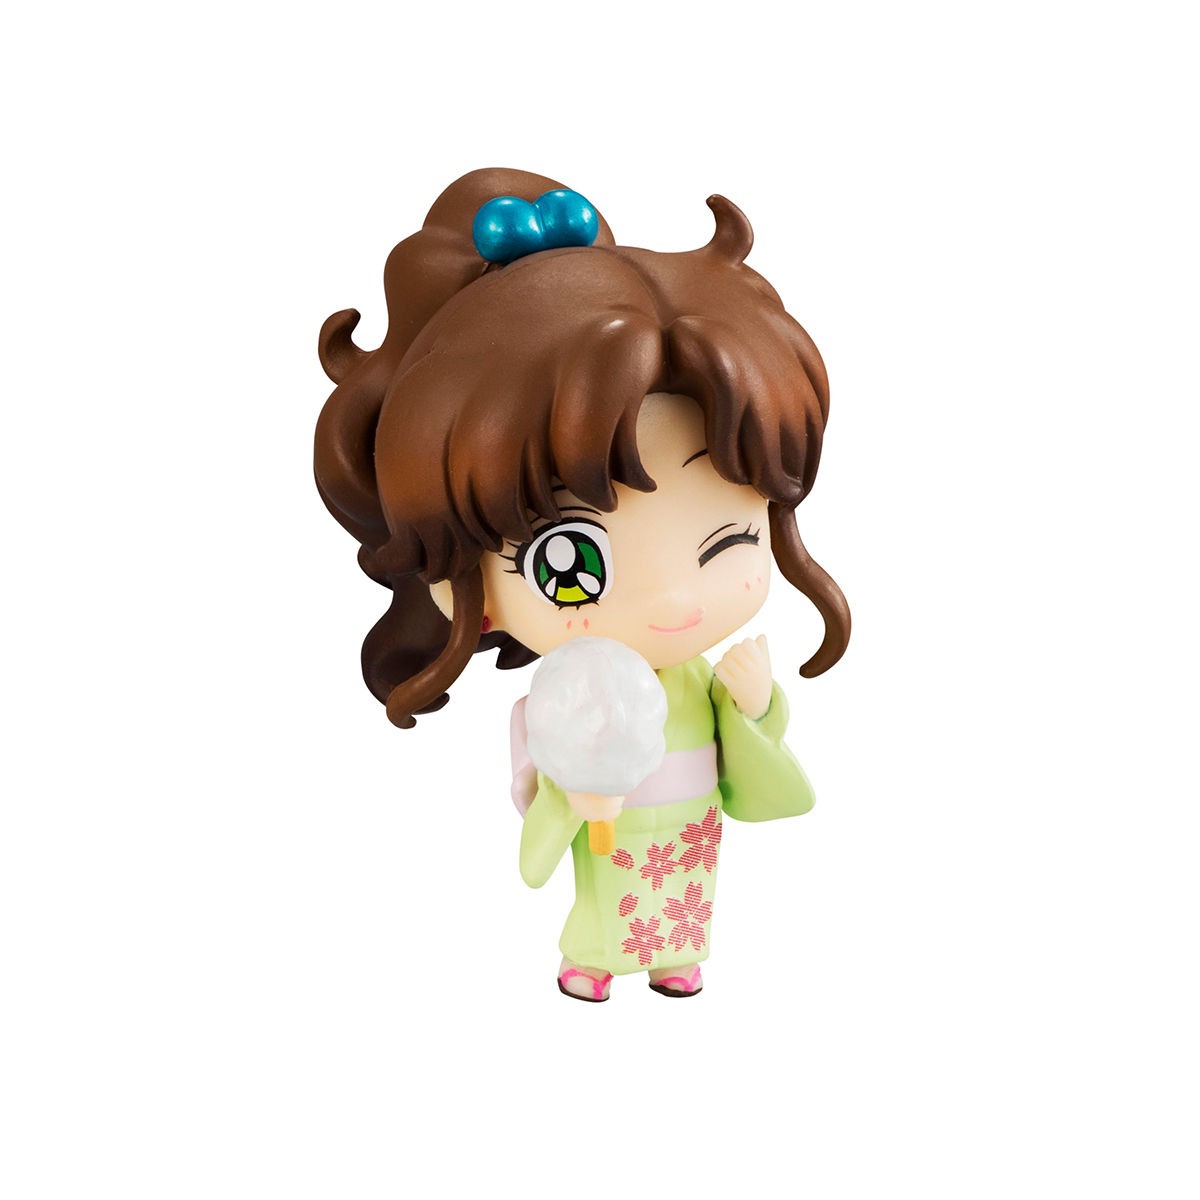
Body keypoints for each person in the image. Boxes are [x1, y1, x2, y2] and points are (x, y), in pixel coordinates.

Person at [314, 168, 850, 1000]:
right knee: (604, 901)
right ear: (460, 582)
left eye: (728, 540)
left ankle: (675, 954)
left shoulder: (696, 681)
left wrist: (753, 707)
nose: (672, 600)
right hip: (609, 834)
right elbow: (536, 825)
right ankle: (591, 956)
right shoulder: (558, 699)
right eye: (570, 561)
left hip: (685, 848)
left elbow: (759, 783)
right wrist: (572, 796)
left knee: (683, 903)